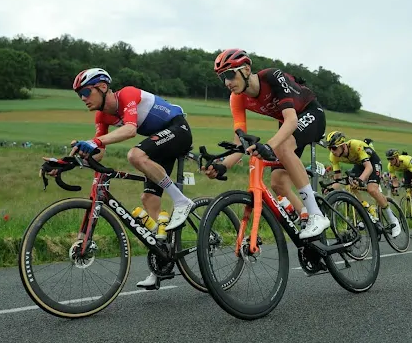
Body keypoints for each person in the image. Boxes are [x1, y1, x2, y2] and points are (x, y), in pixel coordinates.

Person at [69, 68, 194, 290]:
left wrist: (95, 142)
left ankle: (182, 200)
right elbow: (99, 152)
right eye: (80, 95)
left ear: (103, 87)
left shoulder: (127, 94)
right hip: (158, 143)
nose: (83, 98)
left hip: (178, 129)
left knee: (135, 155)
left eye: (86, 92)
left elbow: (129, 130)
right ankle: (161, 261)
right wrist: (70, 160)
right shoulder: (102, 116)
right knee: (148, 199)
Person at [203, 49, 329, 239]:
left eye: (230, 75)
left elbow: (291, 121)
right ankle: (305, 217)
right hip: (287, 123)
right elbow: (240, 143)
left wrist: (269, 146)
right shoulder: (236, 99)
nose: (227, 82)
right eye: (222, 78)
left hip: (309, 113)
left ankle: (316, 215)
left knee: (282, 147)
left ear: (246, 70)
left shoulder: (272, 77)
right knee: (278, 182)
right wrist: (222, 165)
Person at [326, 131, 401, 237]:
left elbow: (369, 168)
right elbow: (337, 179)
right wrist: (330, 188)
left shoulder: (356, 145)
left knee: (372, 189)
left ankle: (393, 220)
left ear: (342, 145)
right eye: (329, 148)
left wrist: (360, 179)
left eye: (333, 148)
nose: (331, 151)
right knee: (349, 184)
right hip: (359, 165)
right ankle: (366, 210)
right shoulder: (333, 156)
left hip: (372, 162)